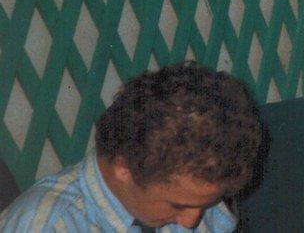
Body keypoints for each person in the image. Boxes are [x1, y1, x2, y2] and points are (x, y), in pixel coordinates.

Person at [0, 62, 263, 232]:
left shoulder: (195, 197)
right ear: (125, 166)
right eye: (177, 206)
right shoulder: (51, 225)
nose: (191, 221)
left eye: (209, 203)